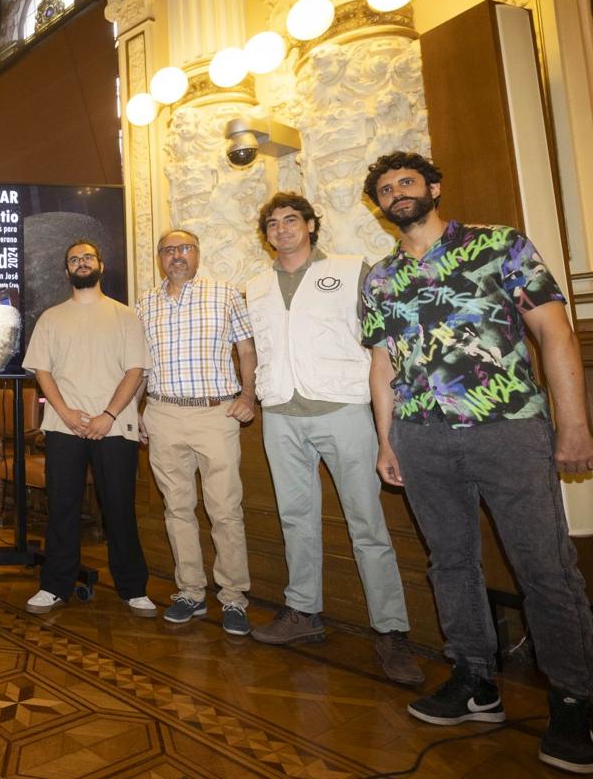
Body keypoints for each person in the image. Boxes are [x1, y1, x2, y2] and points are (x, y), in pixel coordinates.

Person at [361, 151, 593, 774]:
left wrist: (573, 423)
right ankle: (474, 679)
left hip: (508, 429)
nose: (397, 193)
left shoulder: (499, 244)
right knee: (451, 562)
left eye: (407, 181)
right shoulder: (380, 277)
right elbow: (383, 366)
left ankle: (576, 697)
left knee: (544, 566)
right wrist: (386, 441)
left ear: (434, 186)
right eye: (385, 189)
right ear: (378, 206)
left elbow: (555, 331)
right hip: (421, 437)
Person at [244, 193, 422, 685]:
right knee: (295, 518)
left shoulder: (350, 269)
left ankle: (390, 630)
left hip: (343, 410)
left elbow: (381, 341)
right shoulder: (255, 286)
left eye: (291, 220)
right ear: (266, 234)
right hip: (280, 413)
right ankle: (303, 613)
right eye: (273, 223)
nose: (282, 229)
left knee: (366, 523)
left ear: (311, 225)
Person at [22, 239, 155, 617]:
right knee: (61, 509)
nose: (81, 263)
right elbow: (42, 371)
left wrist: (108, 415)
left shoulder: (125, 315)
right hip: (65, 426)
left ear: (101, 264)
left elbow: (135, 371)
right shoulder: (51, 317)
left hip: (115, 426)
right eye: (74, 260)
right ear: (67, 270)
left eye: (87, 258)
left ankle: (133, 589)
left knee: (119, 510)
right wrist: (64, 412)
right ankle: (54, 586)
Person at [136, 229, 256, 635]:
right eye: (168, 250)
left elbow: (246, 350)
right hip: (163, 413)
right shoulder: (145, 304)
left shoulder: (225, 294)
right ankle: (190, 591)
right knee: (177, 509)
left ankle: (234, 597)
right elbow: (140, 364)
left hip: (215, 414)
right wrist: (137, 411)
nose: (176, 256)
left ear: (197, 253)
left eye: (184, 248)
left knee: (224, 509)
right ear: (159, 258)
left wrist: (249, 395)